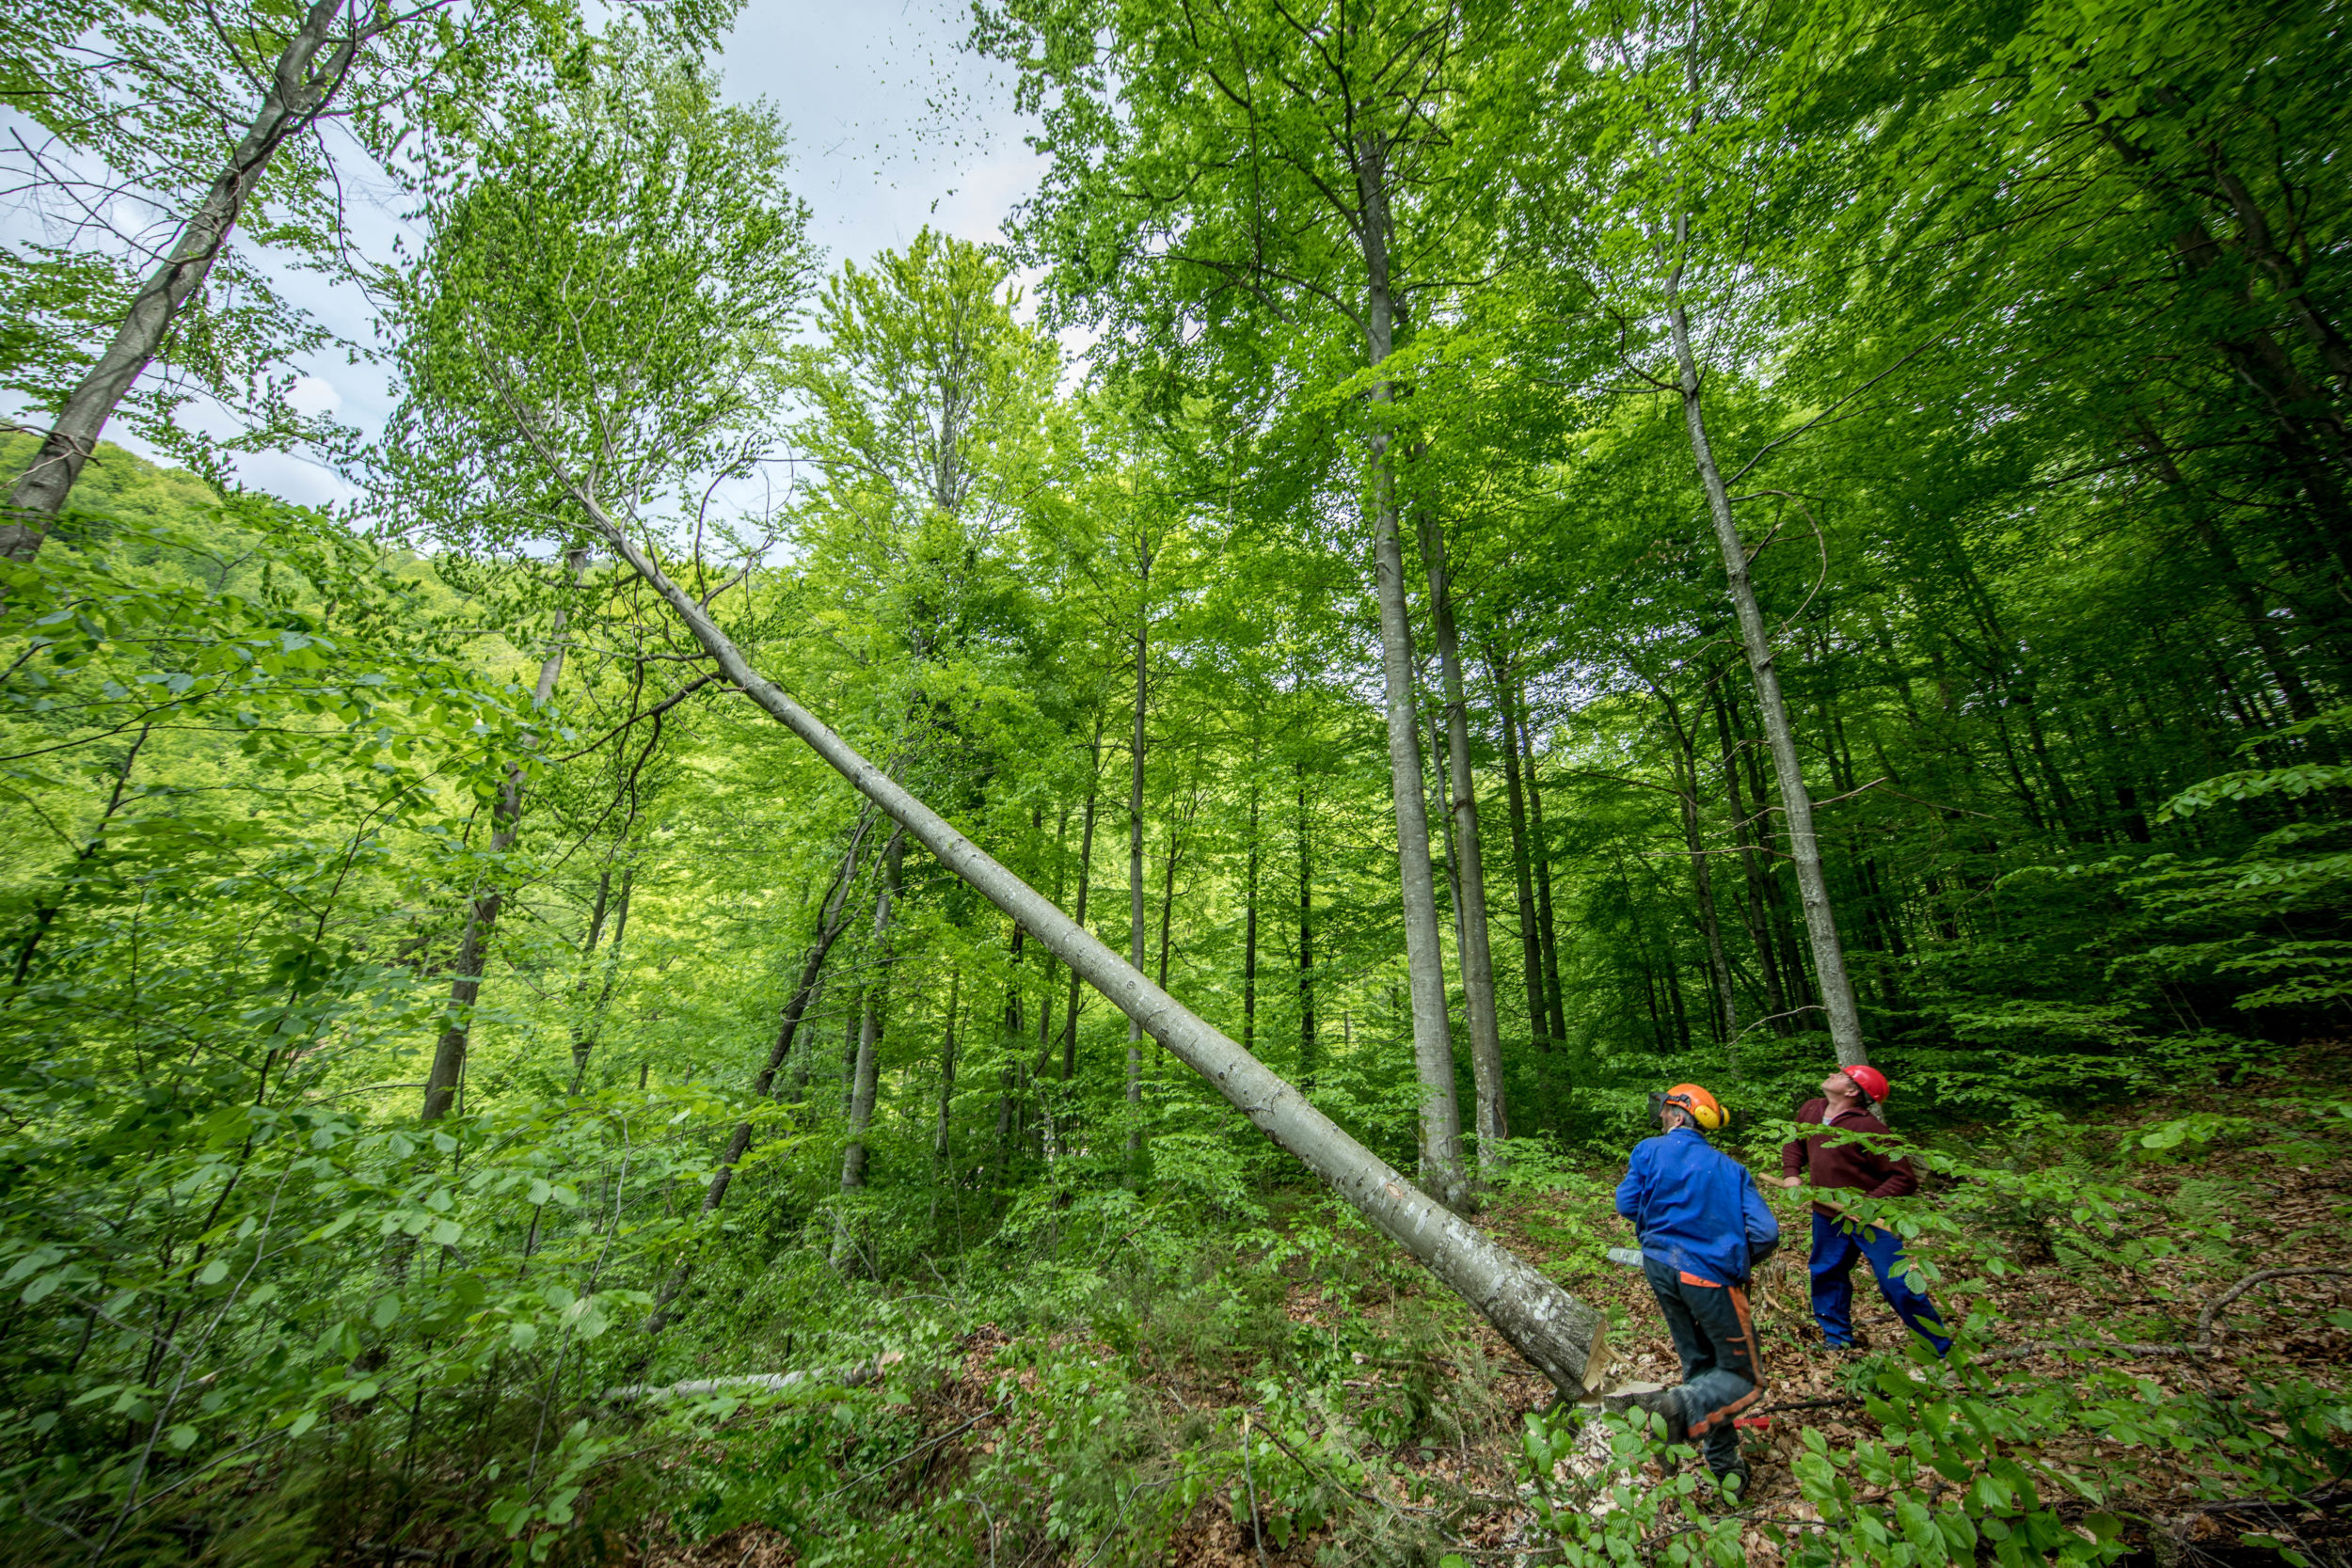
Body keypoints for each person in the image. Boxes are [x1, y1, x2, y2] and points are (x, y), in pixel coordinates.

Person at [1608, 1083, 1779, 1496]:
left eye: (1667, 1111)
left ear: (1680, 1116)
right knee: (1744, 1377)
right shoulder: (1731, 1170)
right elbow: (1767, 1233)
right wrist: (1734, 1259)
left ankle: (1725, 1471)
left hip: (1662, 1268)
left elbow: (1627, 1204)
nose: (1662, 1116)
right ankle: (1681, 1412)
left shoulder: (1648, 1151)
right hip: (1707, 1276)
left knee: (1707, 1369)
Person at [1779, 1064, 1953, 1356]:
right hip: (1827, 1214)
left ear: (1852, 1091)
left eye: (1843, 1075)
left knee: (1896, 1283)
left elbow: (1903, 1178)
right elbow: (1793, 1142)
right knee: (1826, 1273)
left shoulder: (1869, 1128)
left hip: (1874, 1219)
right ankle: (1837, 1340)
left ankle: (1939, 1348)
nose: (1833, 1074)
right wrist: (1791, 1173)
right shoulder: (1811, 1109)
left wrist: (1868, 1205)